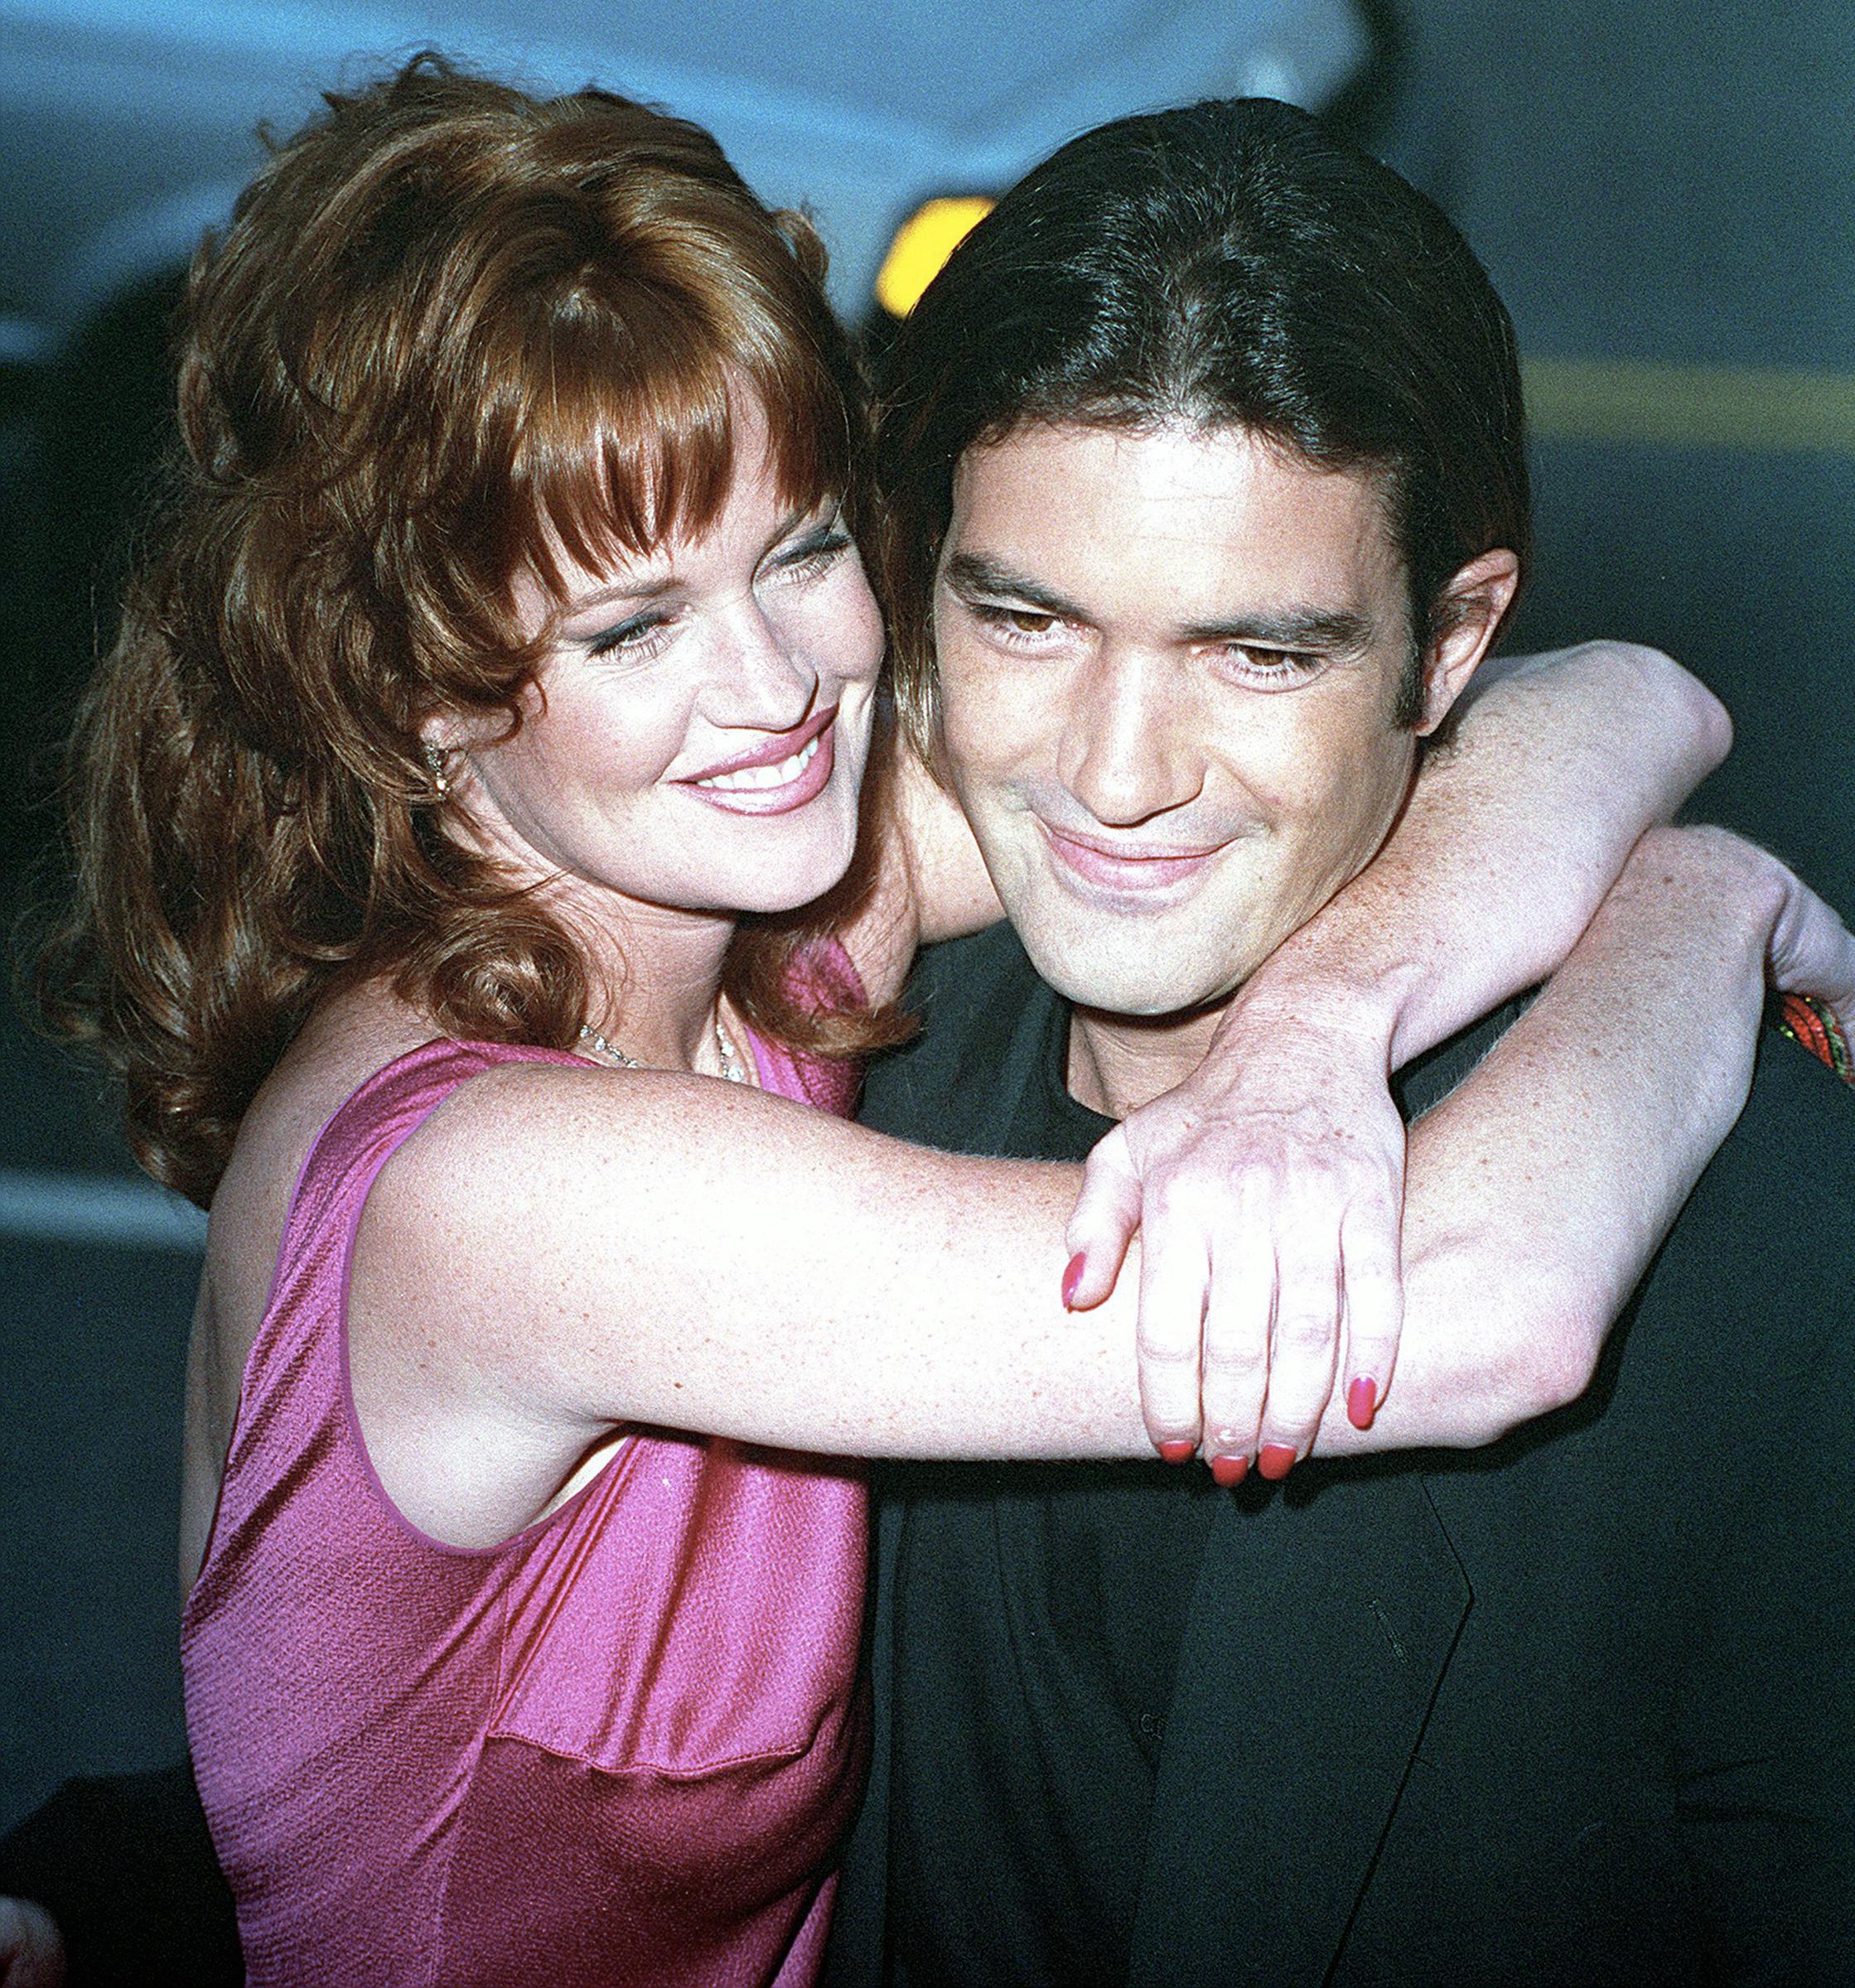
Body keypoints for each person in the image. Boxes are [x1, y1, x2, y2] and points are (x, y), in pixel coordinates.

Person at [1, 56, 1839, 1988]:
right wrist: (1704, 920)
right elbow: (1467, 1316)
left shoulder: (759, 917)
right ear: (416, 687)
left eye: (796, 550)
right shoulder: (515, 1190)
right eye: (631, 629)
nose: (776, 686)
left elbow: (1592, 701)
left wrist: (1323, 1022)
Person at [818, 95, 1855, 1986]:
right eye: (1030, 621)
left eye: (1256, 654)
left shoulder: (1758, 1248)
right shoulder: (828, 1071)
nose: (1115, 778)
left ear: (1451, 649)